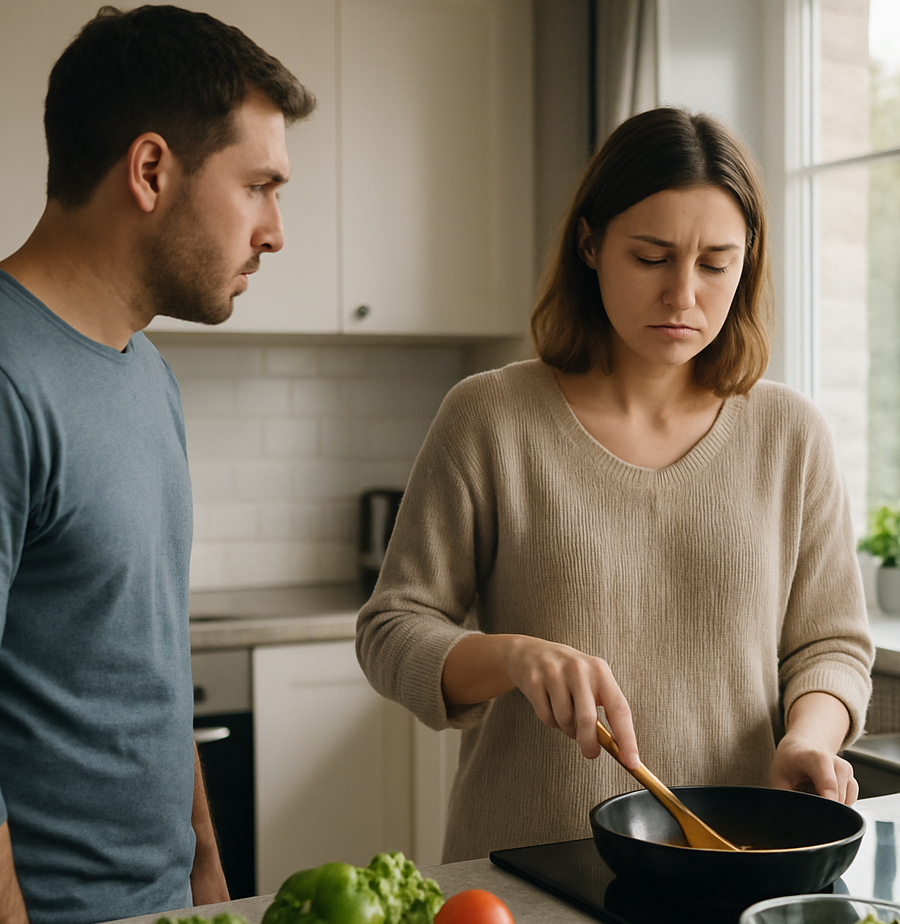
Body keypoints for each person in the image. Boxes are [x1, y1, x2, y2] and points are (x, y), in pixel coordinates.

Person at [356, 107, 873, 863]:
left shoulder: (790, 434)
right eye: (652, 257)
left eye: (714, 263)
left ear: (747, 263)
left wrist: (808, 736)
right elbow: (391, 629)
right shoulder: (491, 415)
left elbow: (830, 643)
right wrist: (512, 658)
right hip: (528, 870)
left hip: (729, 865)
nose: (682, 296)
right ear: (590, 245)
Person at [0, 5, 315, 924]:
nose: (276, 231)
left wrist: (205, 874)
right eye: (259, 186)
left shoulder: (146, 373)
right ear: (150, 171)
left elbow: (153, 664)